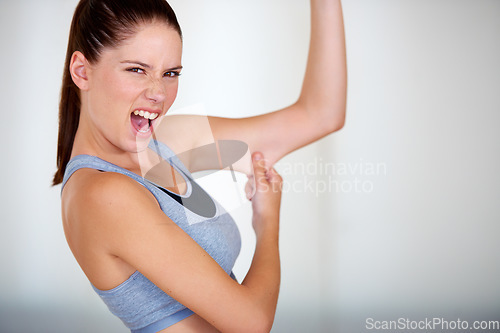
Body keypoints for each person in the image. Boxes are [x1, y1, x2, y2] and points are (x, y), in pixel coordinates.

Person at [54, 0, 346, 332]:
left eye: (170, 74)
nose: (158, 93)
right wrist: (267, 226)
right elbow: (252, 323)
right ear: (81, 71)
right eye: (136, 69)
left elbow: (320, 115)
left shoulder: (163, 144)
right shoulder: (102, 195)